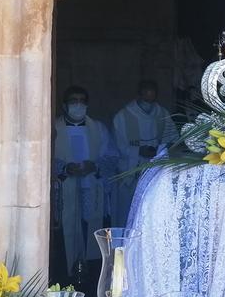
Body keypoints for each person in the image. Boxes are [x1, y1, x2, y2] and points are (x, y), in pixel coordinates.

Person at [52, 86, 118, 278]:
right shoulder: (54, 128)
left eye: (82, 101)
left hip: (91, 188)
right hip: (64, 189)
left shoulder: (98, 128)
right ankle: (65, 277)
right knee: (66, 235)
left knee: (90, 231)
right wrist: (64, 168)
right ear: (64, 105)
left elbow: (112, 156)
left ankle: (89, 279)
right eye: (73, 101)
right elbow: (42, 157)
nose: (78, 105)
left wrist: (95, 166)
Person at [112, 79, 177, 225]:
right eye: (146, 95)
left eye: (152, 96)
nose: (149, 100)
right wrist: (139, 151)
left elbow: (172, 138)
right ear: (139, 94)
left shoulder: (162, 113)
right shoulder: (123, 116)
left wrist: (159, 150)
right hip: (131, 170)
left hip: (154, 168)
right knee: (128, 212)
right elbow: (118, 145)